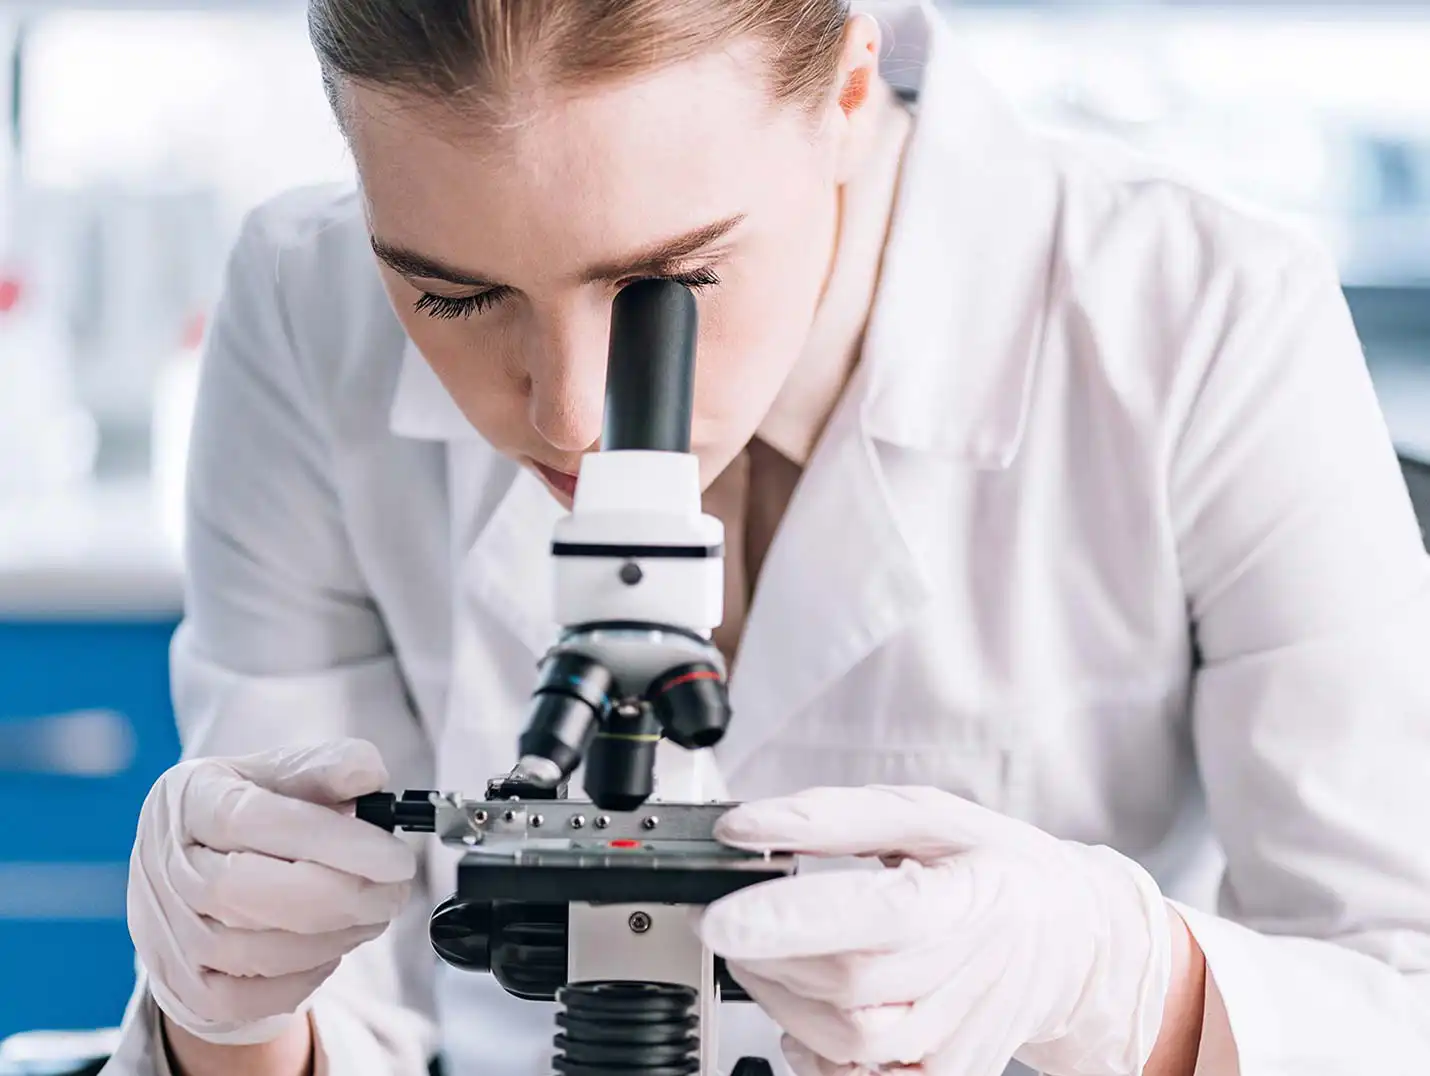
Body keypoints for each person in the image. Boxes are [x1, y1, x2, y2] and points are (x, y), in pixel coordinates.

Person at [106, 1, 1430, 1074]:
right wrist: (229, 1009)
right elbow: (348, 1017)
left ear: (851, 92)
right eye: (454, 298)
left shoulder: (1198, 311)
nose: (570, 412)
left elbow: (1400, 1006)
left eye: (669, 286)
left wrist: (1113, 977)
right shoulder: (301, 300)